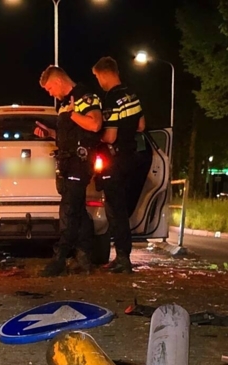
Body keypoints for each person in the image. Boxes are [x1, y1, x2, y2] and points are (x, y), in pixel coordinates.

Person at [34, 65, 103, 276]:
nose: (49, 93)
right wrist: (49, 134)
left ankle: (59, 259)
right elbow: (69, 135)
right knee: (77, 212)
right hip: (66, 163)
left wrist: (73, 114)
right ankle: (84, 258)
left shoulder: (86, 97)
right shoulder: (64, 105)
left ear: (58, 81)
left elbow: (95, 125)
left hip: (79, 162)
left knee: (69, 211)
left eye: (49, 88)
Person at [92, 57, 145, 274]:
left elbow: (111, 137)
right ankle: (123, 256)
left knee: (115, 211)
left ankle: (123, 258)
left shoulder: (112, 100)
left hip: (115, 160)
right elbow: (141, 126)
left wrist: (96, 136)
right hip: (130, 158)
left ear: (104, 74)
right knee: (121, 209)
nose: (98, 82)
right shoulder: (132, 95)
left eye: (97, 77)